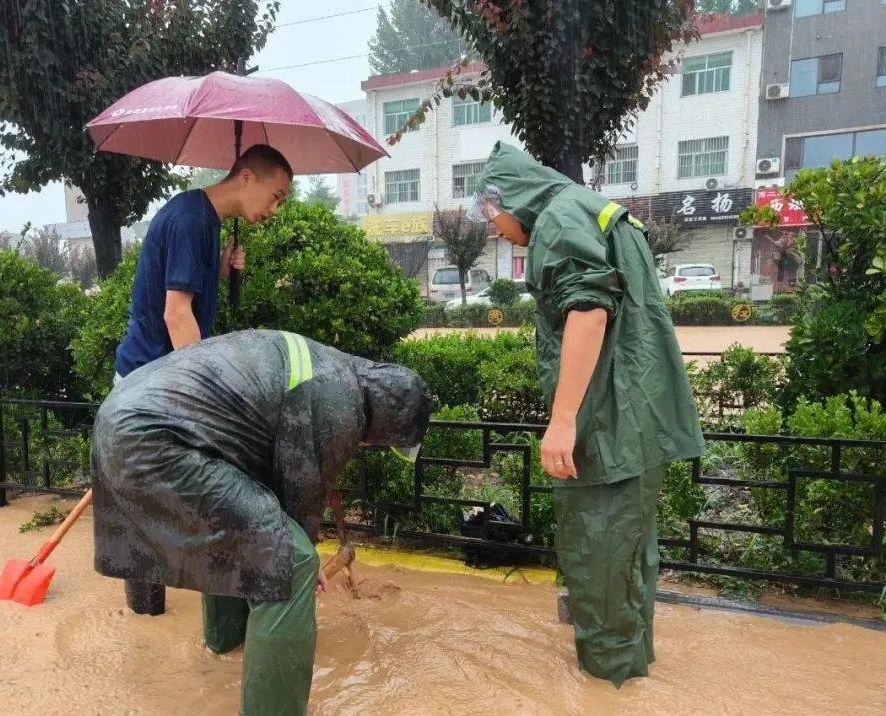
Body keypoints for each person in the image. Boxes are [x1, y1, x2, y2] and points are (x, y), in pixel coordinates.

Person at [91, 329, 431, 715]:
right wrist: (307, 552)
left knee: (240, 533)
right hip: (156, 440)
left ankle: (225, 648)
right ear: (387, 420)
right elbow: (300, 490)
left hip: (117, 421)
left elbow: (264, 485)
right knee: (290, 561)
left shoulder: (329, 365)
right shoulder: (342, 398)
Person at [468, 142, 705, 687]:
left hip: (606, 429)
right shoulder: (589, 208)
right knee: (627, 566)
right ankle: (630, 675)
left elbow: (589, 310)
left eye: (491, 215)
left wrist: (563, 418)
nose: (495, 229)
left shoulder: (556, 219)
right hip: (638, 426)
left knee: (599, 568)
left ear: (511, 197)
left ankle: (607, 685)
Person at [113, 144, 293, 614]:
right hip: (150, 386)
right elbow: (176, 316)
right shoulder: (193, 221)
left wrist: (220, 265)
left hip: (152, 377)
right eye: (275, 196)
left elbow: (178, 295)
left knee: (149, 499)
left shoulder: (201, 220)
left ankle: (149, 613)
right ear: (247, 178)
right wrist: (208, 397)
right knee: (154, 502)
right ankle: (147, 612)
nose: (273, 210)